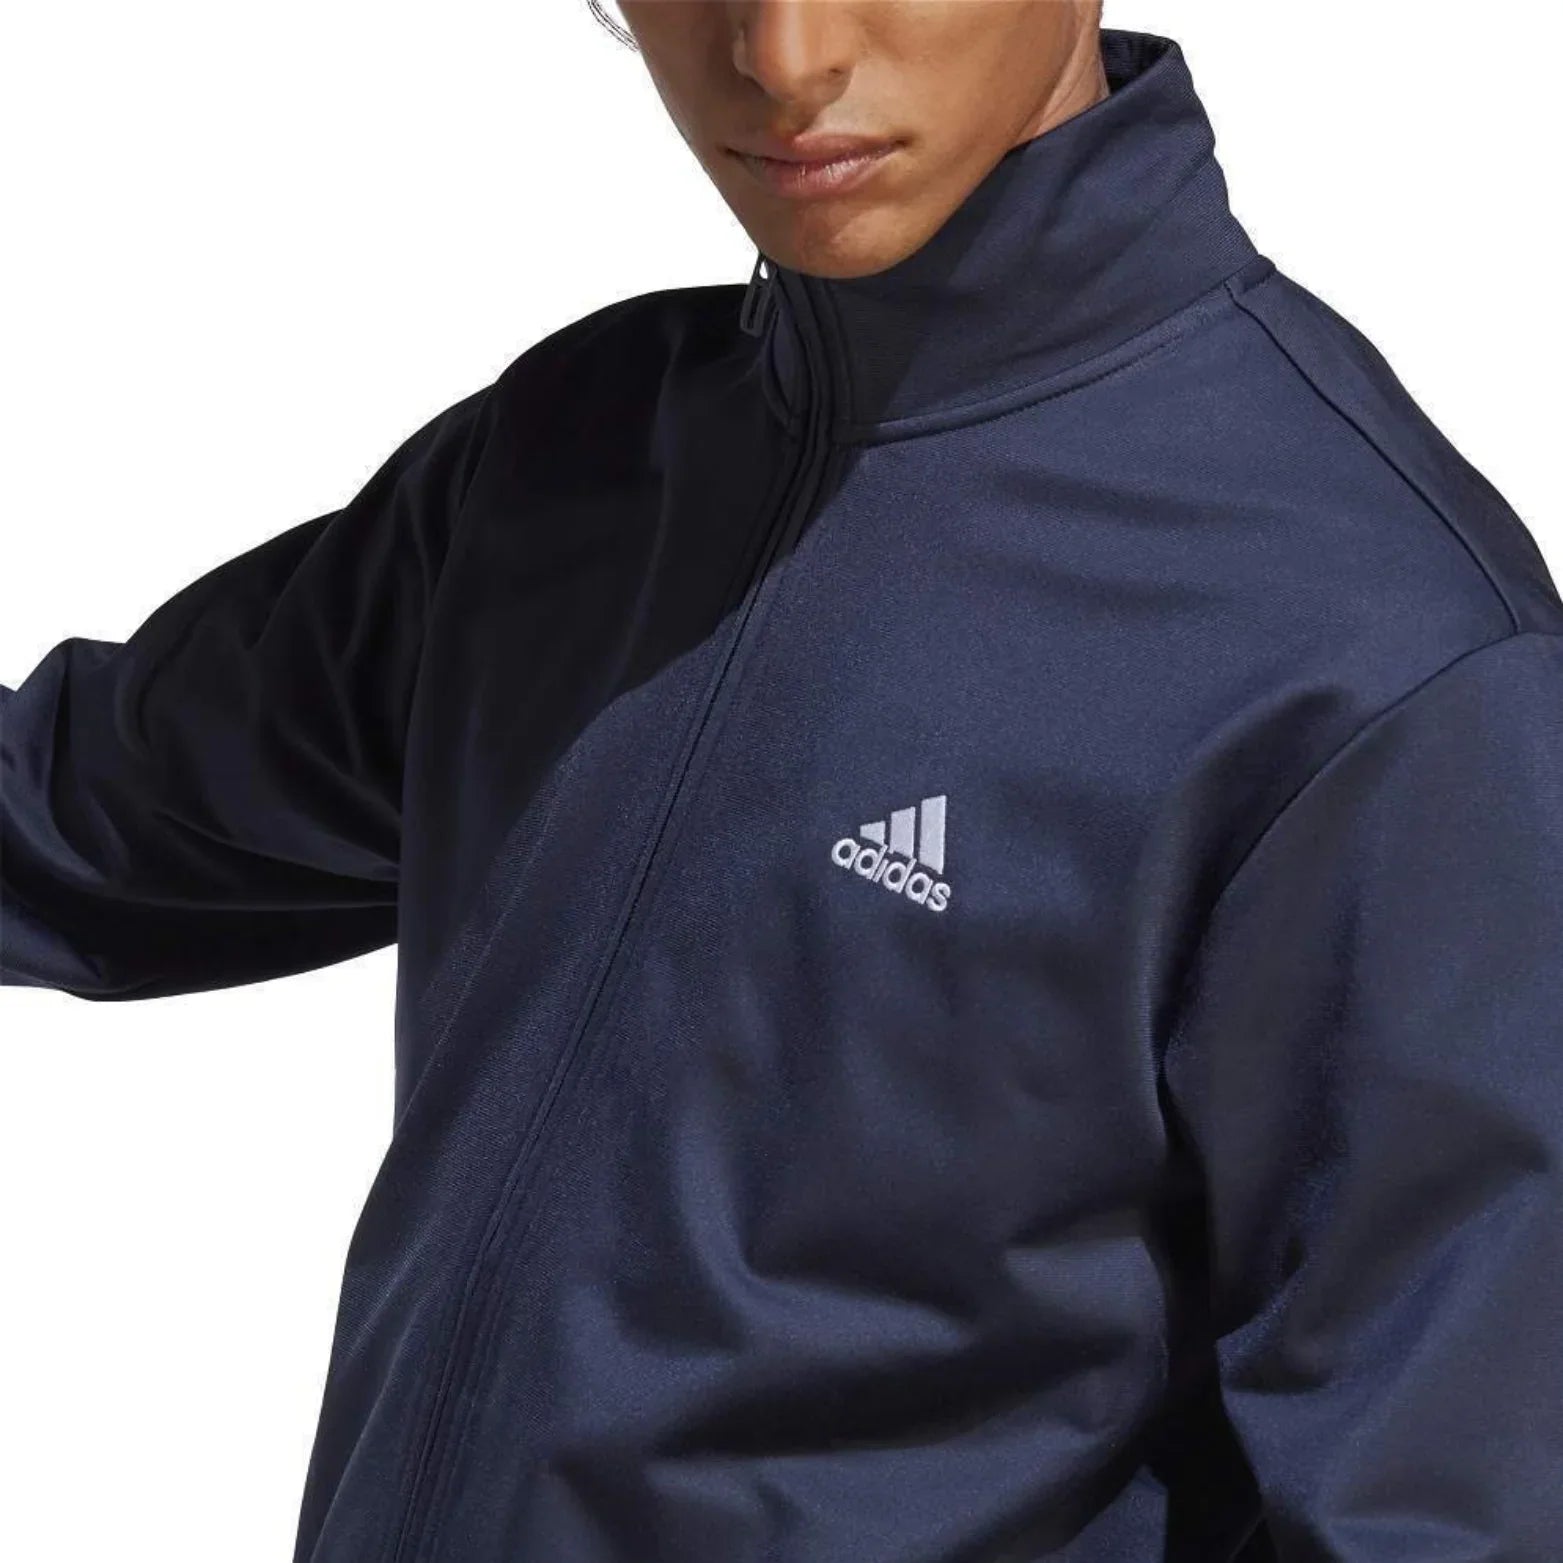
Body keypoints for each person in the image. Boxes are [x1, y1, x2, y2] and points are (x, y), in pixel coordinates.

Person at [3, 4, 1560, 1560]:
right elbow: (76, 815)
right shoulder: (577, 464)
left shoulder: (1383, 666)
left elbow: (1447, 1513)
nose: (784, 56)